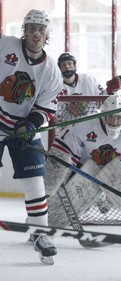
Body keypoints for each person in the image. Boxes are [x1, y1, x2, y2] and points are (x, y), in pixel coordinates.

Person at [45, 95, 121, 239]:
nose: (115, 121)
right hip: (88, 165)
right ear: (102, 114)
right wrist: (57, 177)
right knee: (73, 198)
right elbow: (62, 150)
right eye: (110, 117)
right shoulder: (83, 124)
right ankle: (43, 227)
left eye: (119, 117)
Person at [0, 9, 63, 265]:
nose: (35, 34)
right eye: (31, 28)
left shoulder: (51, 70)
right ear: (24, 31)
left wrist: (30, 124)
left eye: (40, 30)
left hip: (22, 127)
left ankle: (40, 234)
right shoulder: (5, 45)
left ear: (47, 34)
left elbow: (46, 108)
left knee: (35, 182)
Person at [56, 52, 121, 121]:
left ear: (75, 66)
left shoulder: (88, 79)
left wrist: (110, 90)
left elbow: (100, 103)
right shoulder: (56, 86)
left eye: (69, 63)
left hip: (91, 124)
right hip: (68, 126)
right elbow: (57, 113)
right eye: (63, 65)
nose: (67, 66)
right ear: (59, 68)